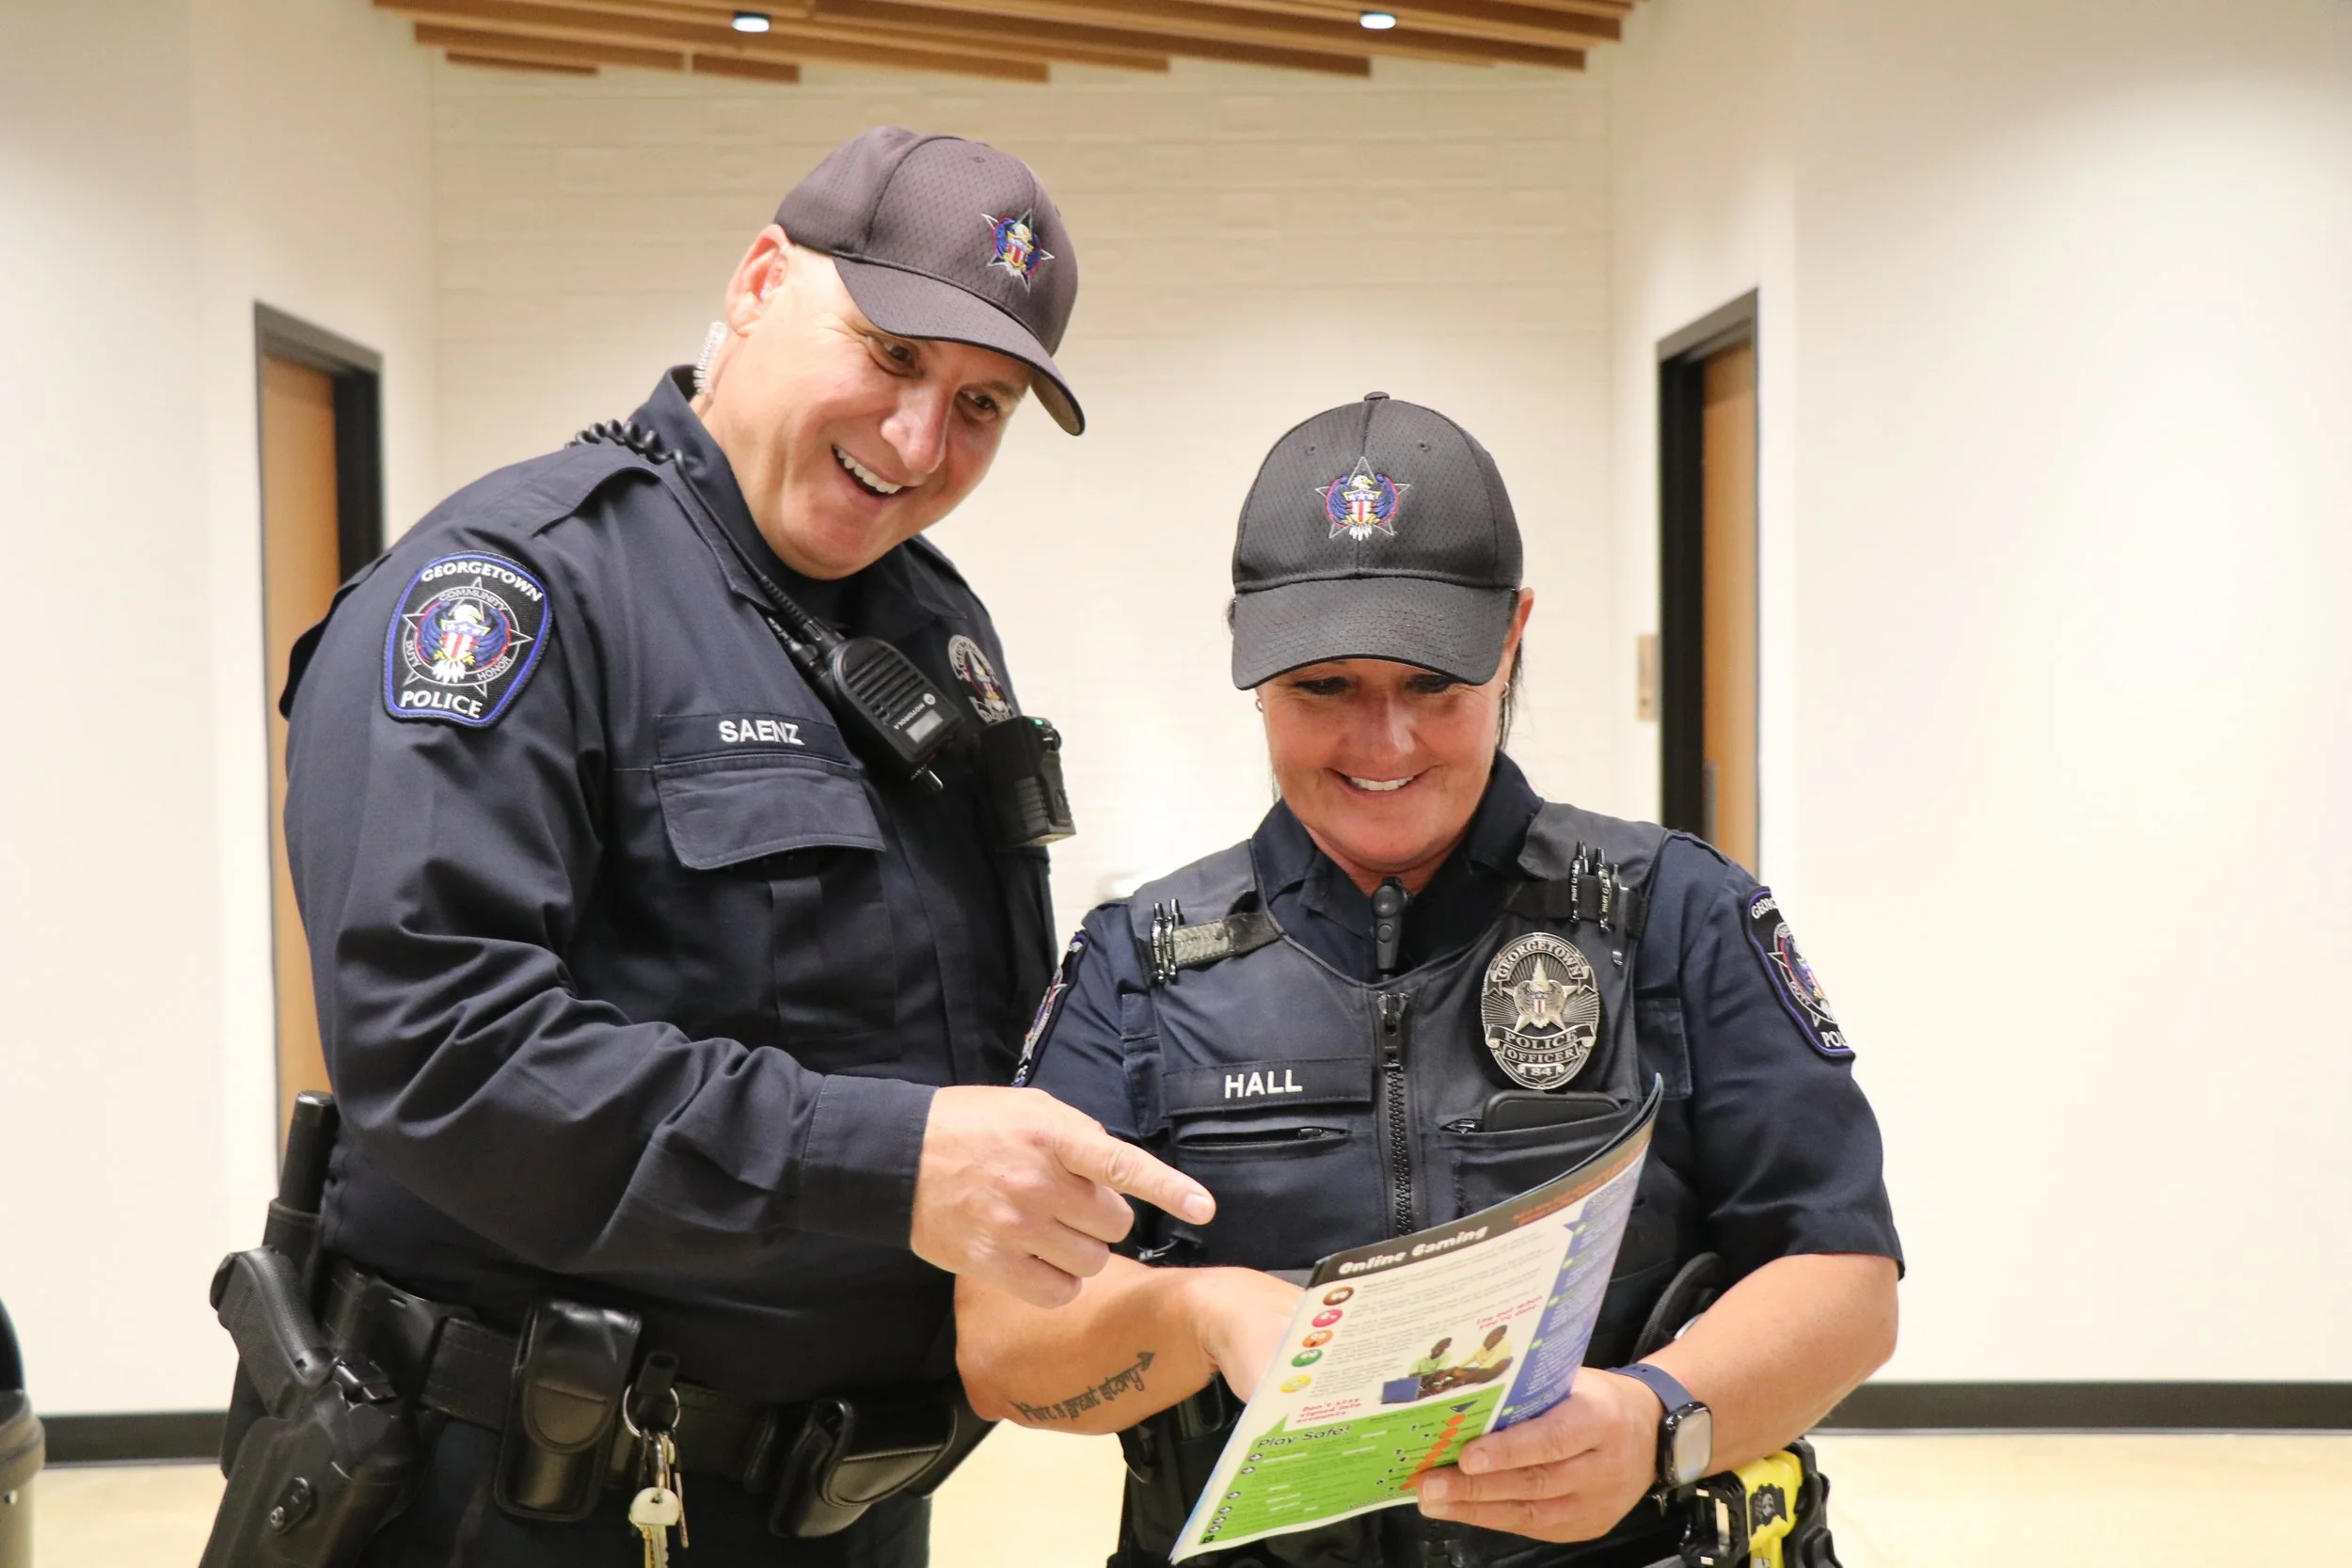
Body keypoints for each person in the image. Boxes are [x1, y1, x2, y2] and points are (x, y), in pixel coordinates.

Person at [265, 127, 1212, 1567]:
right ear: (763, 280)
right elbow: (439, 1046)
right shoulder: (516, 589)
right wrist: (892, 1160)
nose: (918, 444)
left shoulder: (931, 627)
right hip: (535, 1492)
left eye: (982, 404)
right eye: (890, 355)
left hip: (841, 1492)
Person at [955, 394, 1902, 1567]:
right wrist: (1196, 1314)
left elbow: (1844, 1275)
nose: (1383, 745)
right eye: (1323, 689)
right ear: (1248, 659)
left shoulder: (1676, 913)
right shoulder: (1139, 965)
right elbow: (1000, 1344)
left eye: (1433, 686)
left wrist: (1657, 1418)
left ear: (1512, 636)